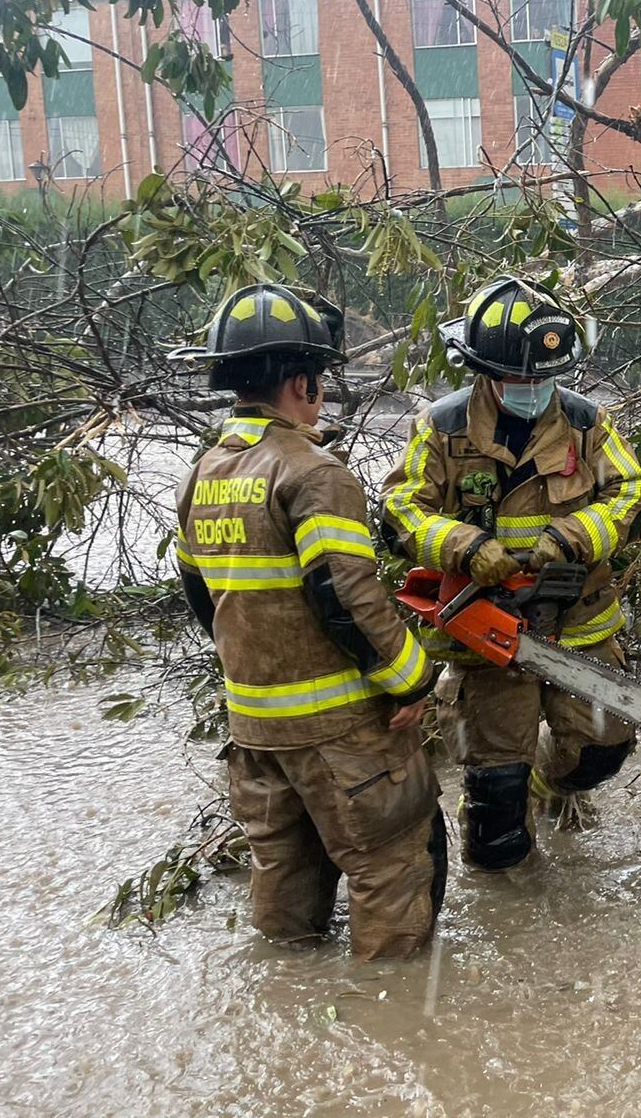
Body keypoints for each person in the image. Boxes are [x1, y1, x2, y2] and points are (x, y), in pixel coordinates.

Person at [171, 283, 445, 960]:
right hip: (340, 731)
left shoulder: (200, 474)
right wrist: (410, 680)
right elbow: (345, 596)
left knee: (285, 877)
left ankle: (290, 1014)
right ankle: (391, 1012)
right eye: (318, 379)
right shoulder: (313, 473)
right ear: (302, 383)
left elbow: (199, 595)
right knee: (393, 867)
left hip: (255, 727)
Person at [380, 276, 641, 872]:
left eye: (543, 378)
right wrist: (464, 544)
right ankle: (510, 889)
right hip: (488, 635)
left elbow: (630, 491)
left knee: (601, 750)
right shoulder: (441, 428)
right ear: (483, 370)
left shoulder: (587, 424)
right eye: (519, 379)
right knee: (495, 809)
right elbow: (400, 509)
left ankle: (549, 787)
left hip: (577, 624)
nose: (532, 389)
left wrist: (574, 535)